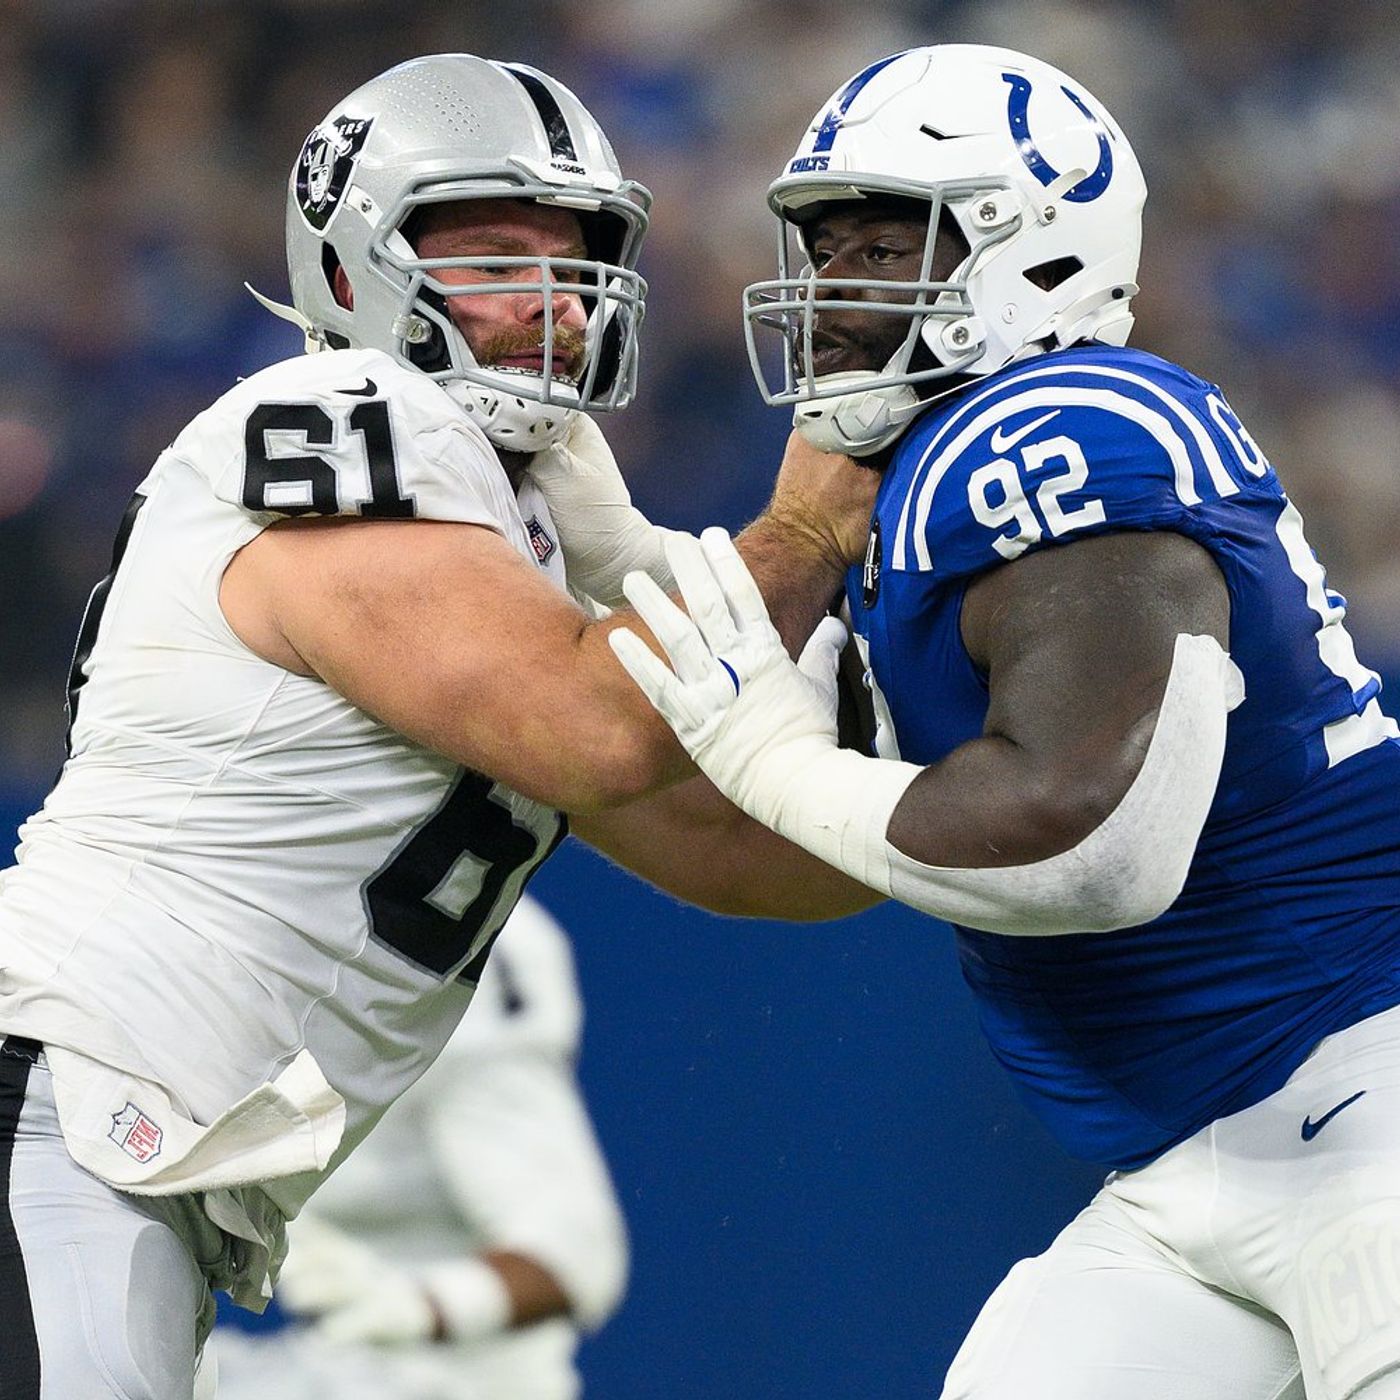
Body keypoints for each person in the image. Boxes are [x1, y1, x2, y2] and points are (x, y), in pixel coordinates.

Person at [0, 52, 876, 1399]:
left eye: (572, 263)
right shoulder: (344, 414)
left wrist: (917, 732)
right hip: (58, 1103)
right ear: (351, 267)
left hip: (118, 1148)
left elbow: (751, 851)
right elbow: (592, 730)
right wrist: (801, 533)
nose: (550, 303)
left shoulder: (518, 534)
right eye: (491, 257)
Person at [598, 44, 1400, 1400]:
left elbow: (1091, 848)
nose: (830, 294)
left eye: (880, 249)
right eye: (823, 251)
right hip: (1186, 1163)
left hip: (1360, 1096)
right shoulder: (911, 478)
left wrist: (774, 756)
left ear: (1033, 256)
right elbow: (774, 831)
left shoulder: (1055, 428)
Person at [212, 892, 627, 1400]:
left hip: (447, 1381)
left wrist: (414, 1306)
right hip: (316, 1361)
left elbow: (572, 1250)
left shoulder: (461, 923)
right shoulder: (221, 884)